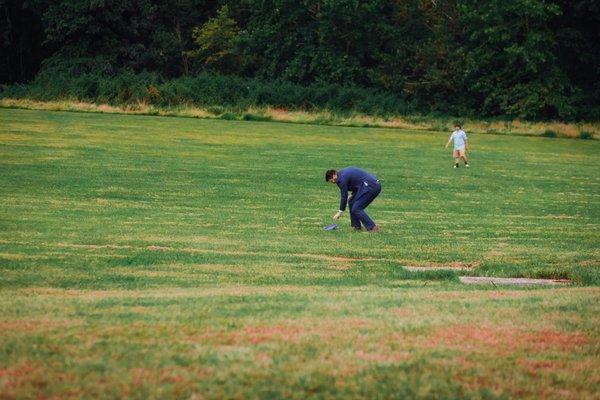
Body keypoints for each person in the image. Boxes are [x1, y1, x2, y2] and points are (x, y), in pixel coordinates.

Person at [325, 167, 381, 232]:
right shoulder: (341, 173)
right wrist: (352, 195)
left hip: (371, 187)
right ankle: (356, 226)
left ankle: (373, 228)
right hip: (367, 185)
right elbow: (356, 182)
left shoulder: (341, 179)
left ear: (334, 175)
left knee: (356, 208)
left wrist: (340, 212)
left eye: (332, 180)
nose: (333, 182)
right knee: (351, 201)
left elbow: (344, 196)